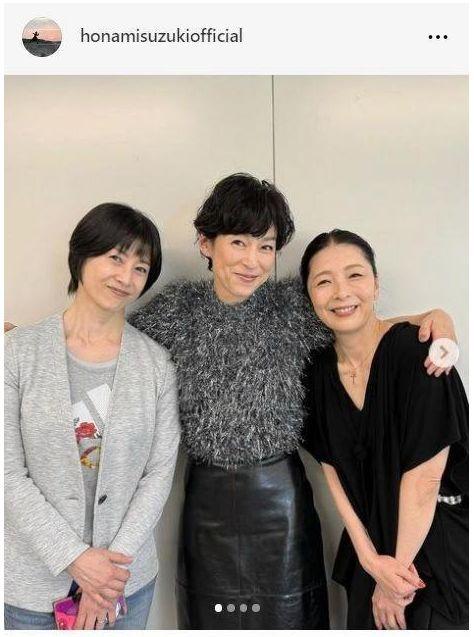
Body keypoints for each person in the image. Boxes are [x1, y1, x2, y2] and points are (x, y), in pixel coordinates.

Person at [128, 173, 457, 629]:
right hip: (206, 507)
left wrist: (434, 317)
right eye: (238, 242)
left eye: (265, 246)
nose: (253, 260)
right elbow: (114, 346)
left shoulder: (292, 308)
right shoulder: (175, 311)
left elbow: (359, 322)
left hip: (280, 504)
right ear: (206, 243)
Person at [4, 203, 181, 630]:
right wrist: (75, 558)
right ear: (81, 255)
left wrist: (107, 576)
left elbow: (159, 474)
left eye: (140, 268)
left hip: (124, 584)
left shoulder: (156, 364)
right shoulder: (18, 352)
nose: (126, 276)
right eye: (115, 257)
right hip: (31, 585)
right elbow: (7, 472)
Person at [300, 229, 468, 629]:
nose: (342, 292)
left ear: (375, 284)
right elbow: (331, 471)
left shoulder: (418, 354)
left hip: (430, 551)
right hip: (370, 554)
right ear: (309, 296)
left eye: (355, 275)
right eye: (324, 281)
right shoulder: (316, 372)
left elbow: (426, 481)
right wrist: (370, 559)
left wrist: (393, 582)